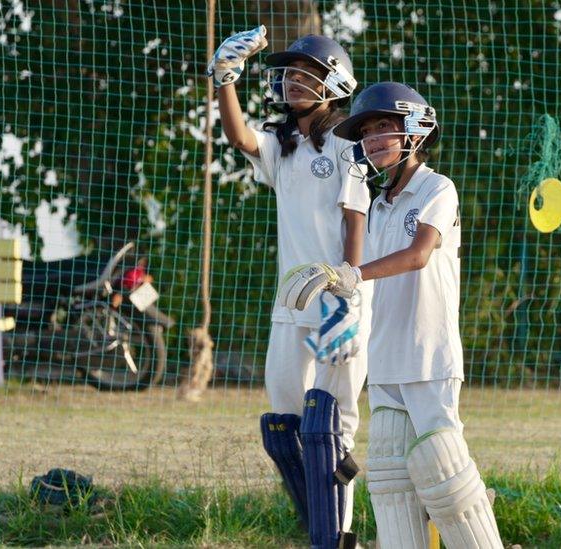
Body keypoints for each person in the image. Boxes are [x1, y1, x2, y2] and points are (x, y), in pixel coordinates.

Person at [280, 82, 502, 548]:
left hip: (429, 359)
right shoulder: (378, 205)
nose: (375, 139)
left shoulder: (437, 187)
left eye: (386, 127)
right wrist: (342, 284)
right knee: (390, 484)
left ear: (415, 132)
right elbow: (362, 270)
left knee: (445, 478)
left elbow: (419, 254)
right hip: (384, 364)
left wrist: (353, 274)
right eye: (367, 131)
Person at [207, 27, 370, 548]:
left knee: (328, 424)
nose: (294, 82)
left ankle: (336, 536)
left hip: (339, 302)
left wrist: (349, 284)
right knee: (283, 422)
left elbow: (354, 217)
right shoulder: (284, 144)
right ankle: (317, 521)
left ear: (335, 81)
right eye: (290, 74)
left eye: (307, 74)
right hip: (291, 300)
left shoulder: (351, 143)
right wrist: (224, 77)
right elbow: (239, 138)